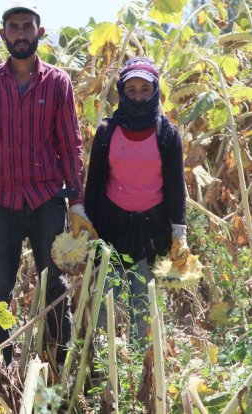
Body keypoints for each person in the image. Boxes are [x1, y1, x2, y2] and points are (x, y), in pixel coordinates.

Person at [0, 1, 96, 364]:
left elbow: (71, 144)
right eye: (14, 27)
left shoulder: (57, 82)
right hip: (1, 202)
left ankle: (57, 364)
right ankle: (0, 365)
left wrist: (77, 203)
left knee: (54, 286)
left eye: (27, 26)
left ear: (40, 32)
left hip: (46, 200)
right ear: (4, 34)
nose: (21, 33)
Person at [85, 57, 189, 341]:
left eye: (145, 89)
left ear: (155, 91)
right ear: (122, 92)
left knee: (142, 306)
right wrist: (86, 230)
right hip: (110, 229)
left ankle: (141, 373)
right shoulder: (107, 132)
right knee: (106, 303)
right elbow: (94, 185)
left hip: (150, 230)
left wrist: (179, 232)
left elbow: (175, 188)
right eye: (132, 90)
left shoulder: (167, 134)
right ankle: (105, 369)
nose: (139, 96)